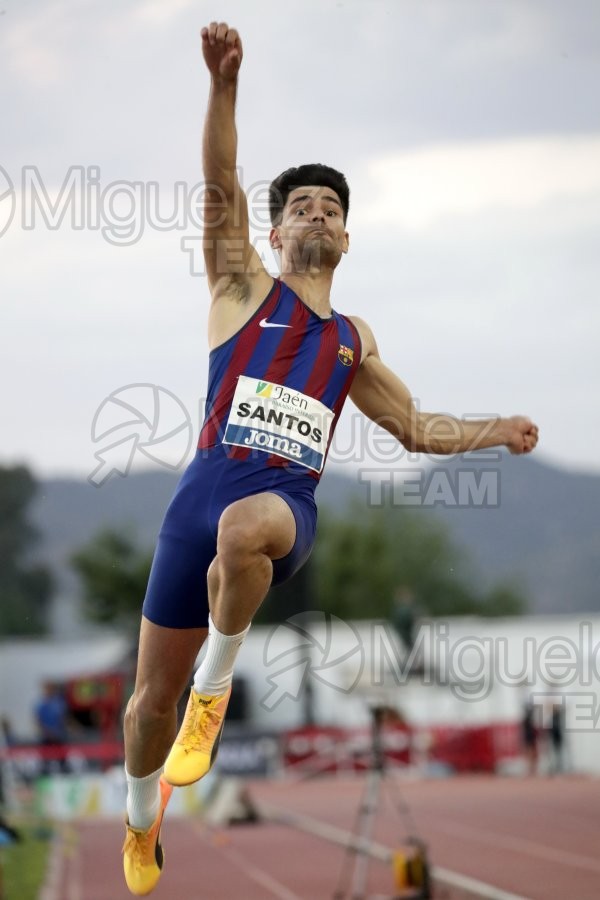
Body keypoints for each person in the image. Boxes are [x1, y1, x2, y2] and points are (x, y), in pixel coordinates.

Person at [122, 22, 539, 895]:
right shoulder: (240, 286)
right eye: (303, 206)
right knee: (141, 707)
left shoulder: (351, 340)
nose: (319, 213)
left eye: (333, 209)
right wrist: (224, 86)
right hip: (192, 504)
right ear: (274, 233)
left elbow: (416, 429)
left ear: (346, 240)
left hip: (280, 508)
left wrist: (497, 428)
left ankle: (216, 694)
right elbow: (218, 181)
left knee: (247, 533)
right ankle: (139, 818)